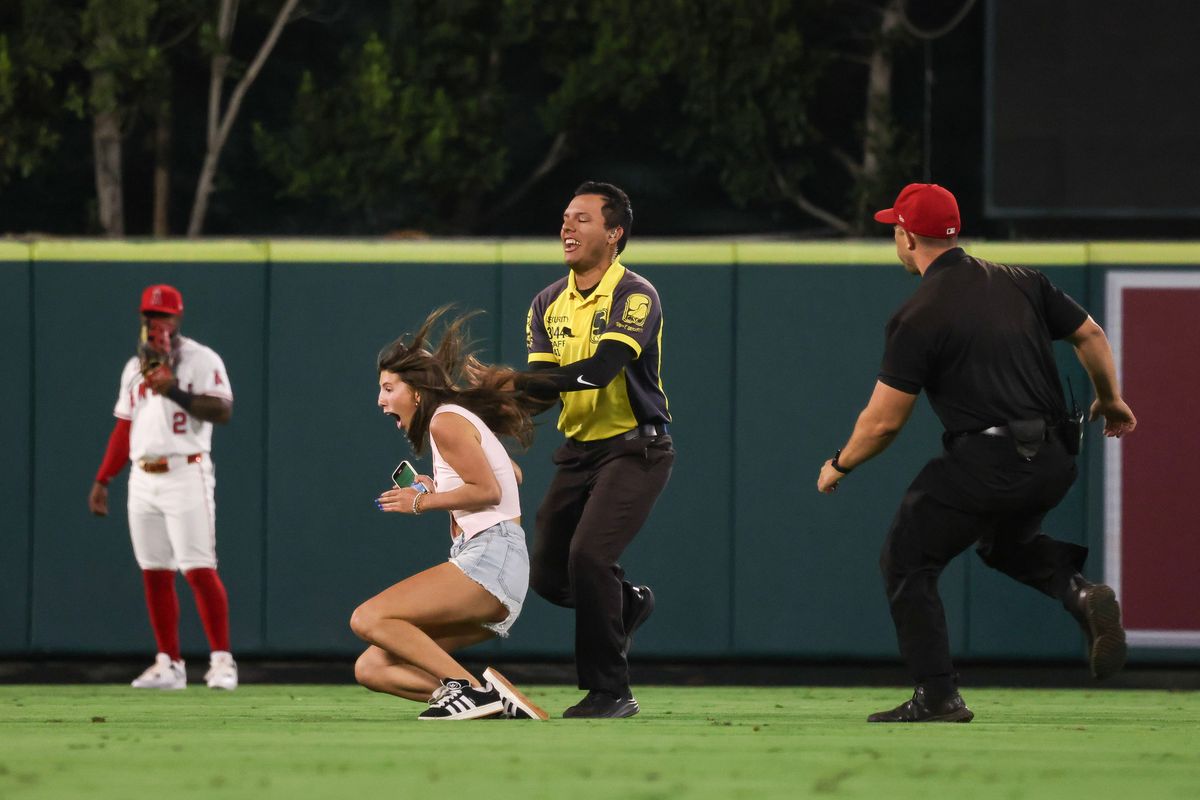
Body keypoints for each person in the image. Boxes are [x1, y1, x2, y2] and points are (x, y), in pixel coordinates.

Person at [816, 183, 1137, 723]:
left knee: (907, 559)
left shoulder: (918, 313)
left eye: (895, 229)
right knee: (1004, 542)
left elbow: (884, 422)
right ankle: (1078, 593)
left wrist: (840, 462)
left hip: (992, 460)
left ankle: (938, 696)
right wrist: (1112, 400)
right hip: (1057, 456)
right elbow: (1091, 334)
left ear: (905, 236)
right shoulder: (1022, 280)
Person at [518, 181, 675, 719]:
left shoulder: (636, 293)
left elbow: (602, 370)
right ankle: (628, 602)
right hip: (579, 451)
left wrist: (512, 381)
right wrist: (489, 397)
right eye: (565, 216)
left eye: (581, 218)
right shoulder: (545, 303)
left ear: (614, 234)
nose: (567, 226)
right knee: (547, 575)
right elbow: (541, 391)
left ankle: (611, 691)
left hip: (637, 450)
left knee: (590, 556)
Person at [353, 308, 548, 721]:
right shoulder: (452, 421)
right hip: (498, 565)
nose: (381, 400)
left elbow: (489, 489)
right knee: (372, 666)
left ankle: (469, 691)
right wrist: (438, 486)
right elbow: (511, 473)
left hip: (491, 558)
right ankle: (489, 701)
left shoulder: (444, 422)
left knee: (368, 617)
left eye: (389, 388)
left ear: (417, 391)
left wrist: (420, 501)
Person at [88, 284, 238, 691]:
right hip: (142, 476)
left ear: (177, 318)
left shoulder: (200, 359)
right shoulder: (132, 368)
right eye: (151, 316)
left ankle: (222, 661)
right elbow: (124, 426)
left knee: (198, 568)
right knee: (154, 572)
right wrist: (104, 477)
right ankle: (169, 663)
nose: (157, 323)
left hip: (185, 472)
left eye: (164, 316)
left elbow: (222, 410)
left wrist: (171, 387)